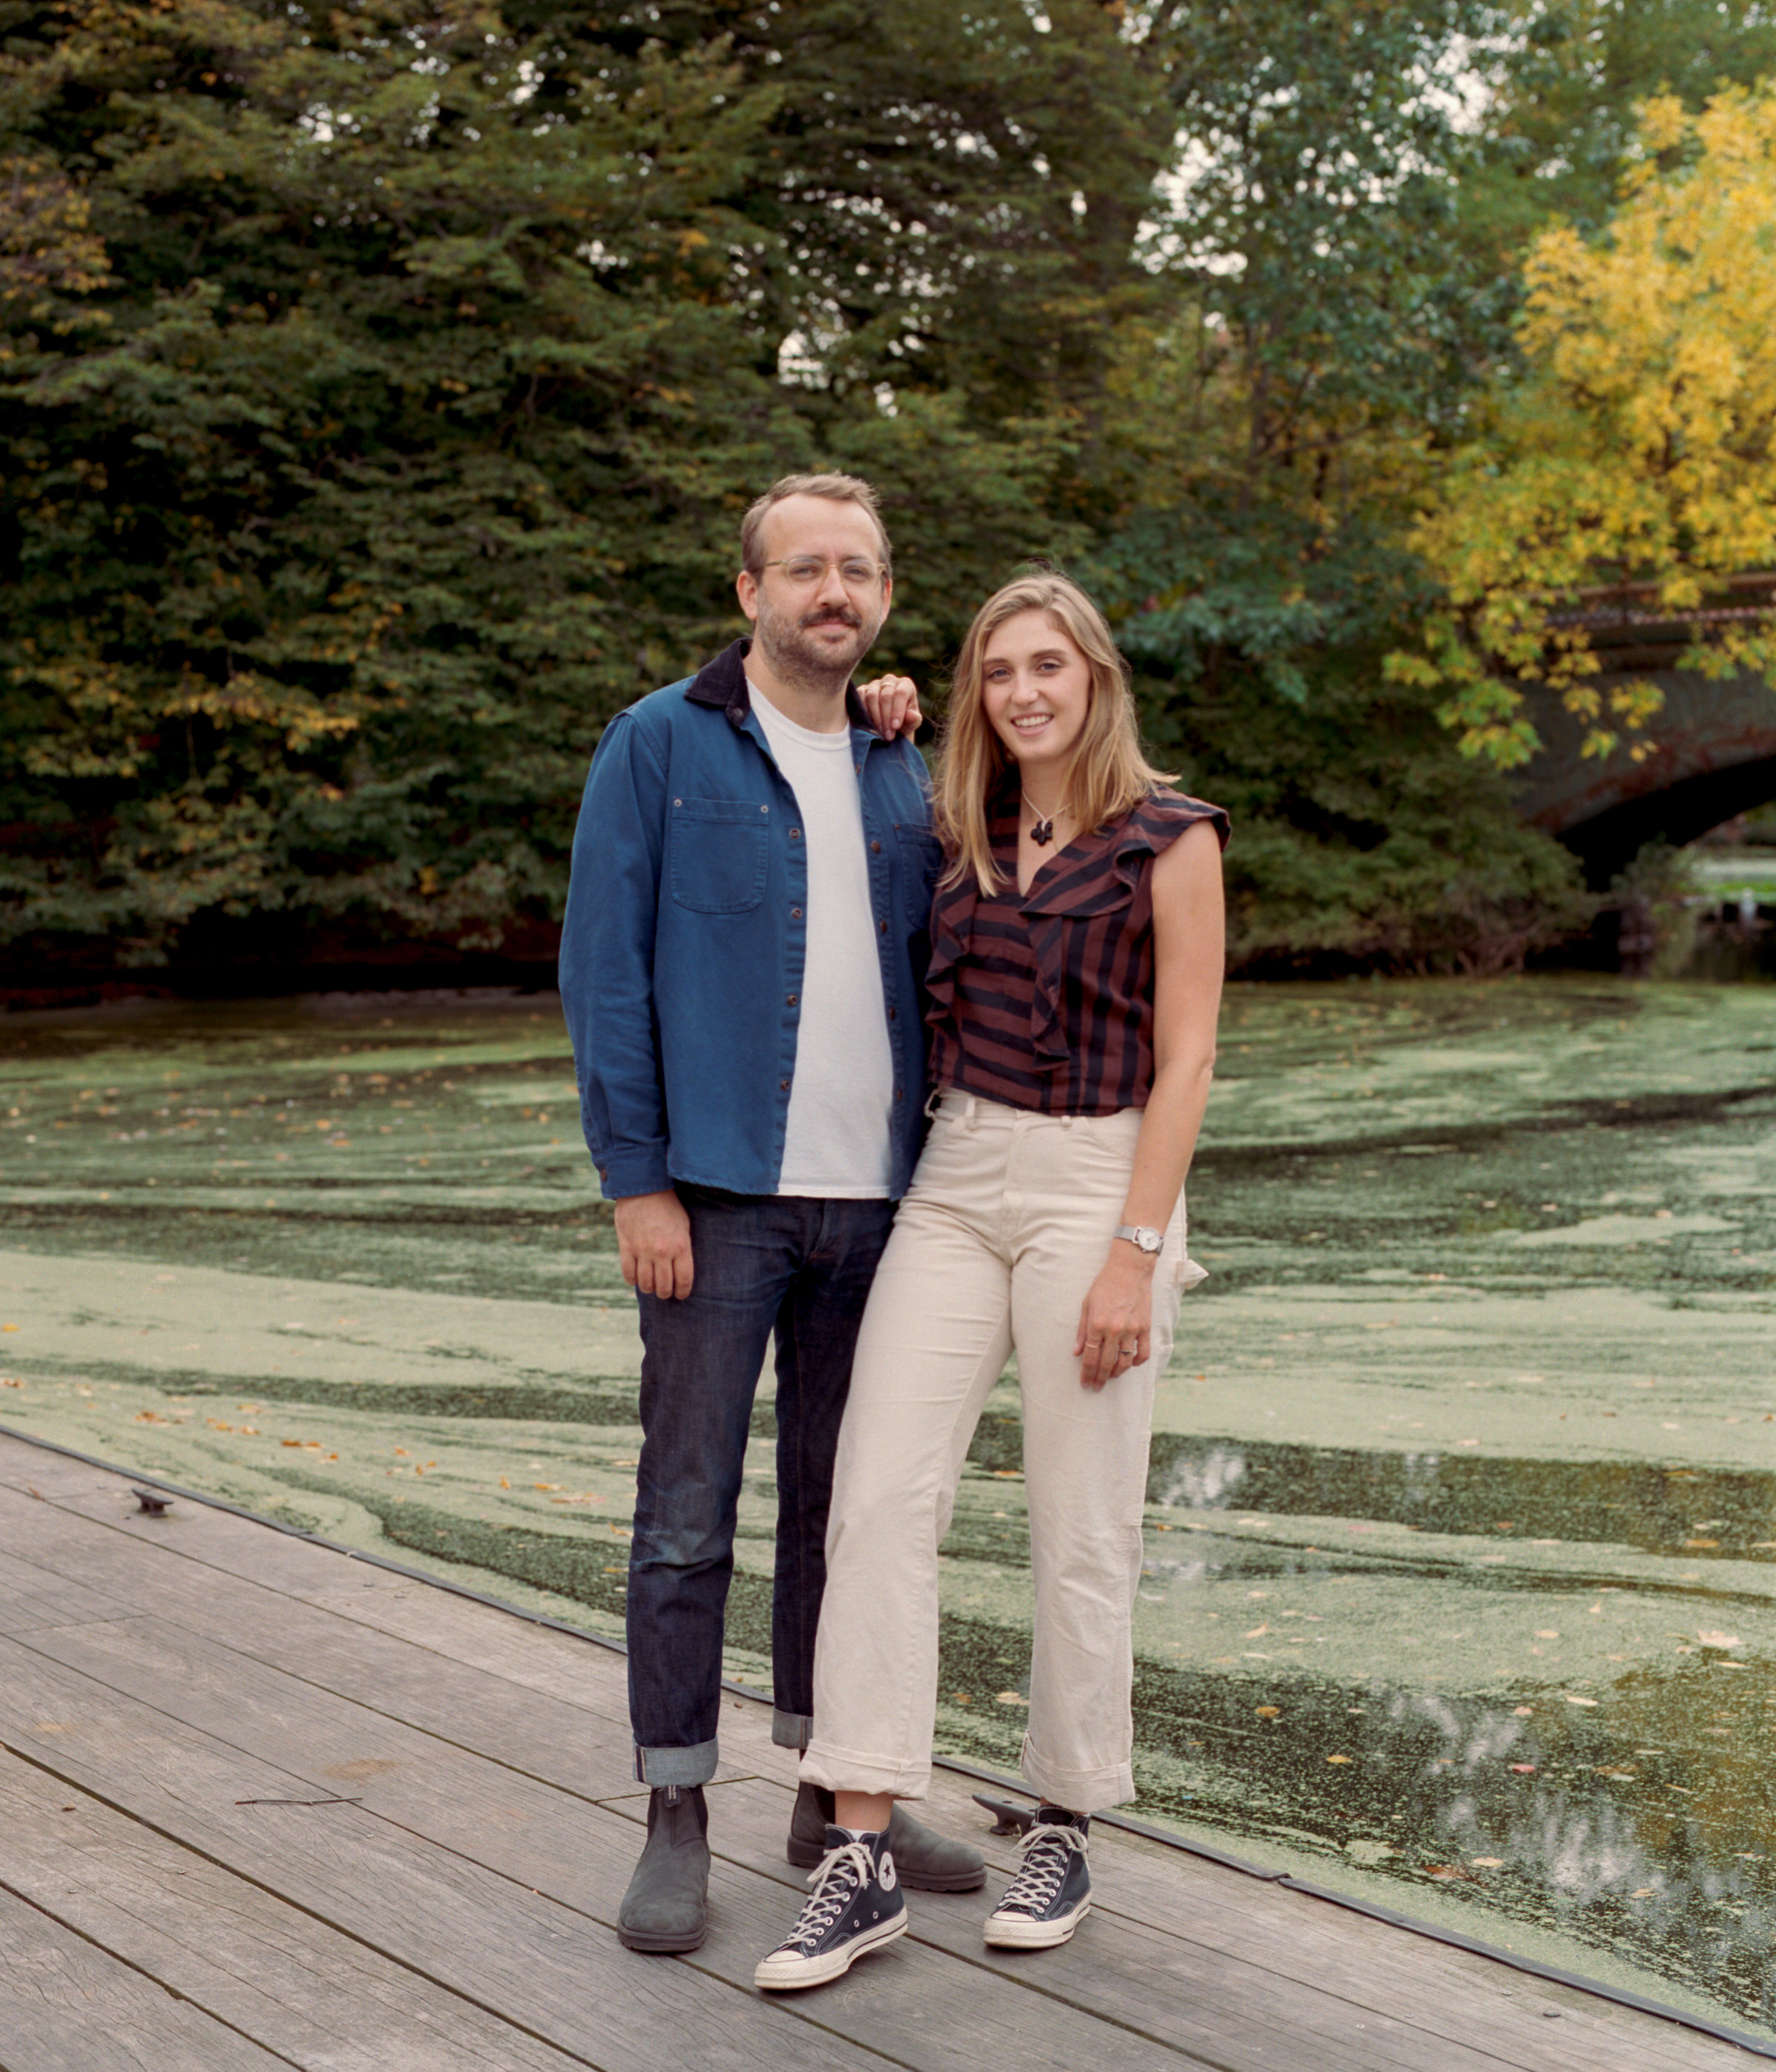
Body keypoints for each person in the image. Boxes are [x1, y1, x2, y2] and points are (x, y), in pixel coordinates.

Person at [754, 571, 1227, 1991]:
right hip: (957, 1178)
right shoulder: (949, 821)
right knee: (876, 1495)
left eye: (1049, 666)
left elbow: (1191, 1058)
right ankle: (860, 1849)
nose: (1025, 690)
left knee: (1083, 1523)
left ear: (1095, 677)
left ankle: (1067, 1819)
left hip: (1102, 1176)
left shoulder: (1171, 838)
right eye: (998, 671)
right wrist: (888, 711)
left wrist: (1137, 1256)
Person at [559, 472, 985, 1957]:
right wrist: (637, 1177)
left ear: (882, 597)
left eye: (858, 570)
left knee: (846, 1518)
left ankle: (830, 1793)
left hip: (879, 1209)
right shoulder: (659, 748)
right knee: (686, 1518)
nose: (833, 591)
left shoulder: (900, 766)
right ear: (749, 591)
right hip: (717, 1202)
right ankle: (676, 1810)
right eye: (804, 567)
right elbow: (605, 976)